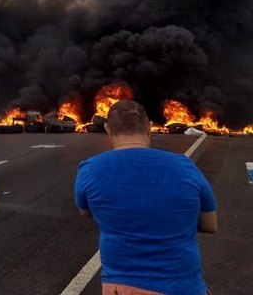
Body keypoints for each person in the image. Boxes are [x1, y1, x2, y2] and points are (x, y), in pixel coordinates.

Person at [75, 100, 218, 295]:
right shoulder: (184, 166)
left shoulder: (89, 169)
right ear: (149, 127)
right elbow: (210, 225)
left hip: (122, 289)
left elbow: (85, 212)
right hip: (184, 286)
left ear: (108, 129)